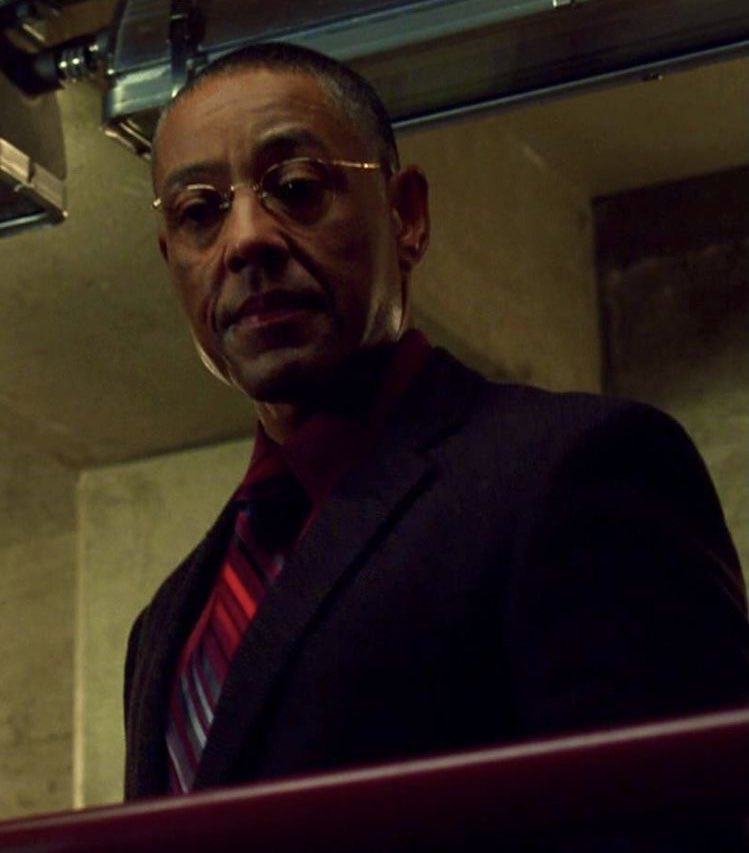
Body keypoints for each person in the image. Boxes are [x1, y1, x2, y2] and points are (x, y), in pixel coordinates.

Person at [123, 41, 749, 847]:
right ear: (171, 259)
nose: (244, 239)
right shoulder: (164, 623)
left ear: (406, 216)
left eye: (297, 187)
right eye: (198, 213)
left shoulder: (576, 471)